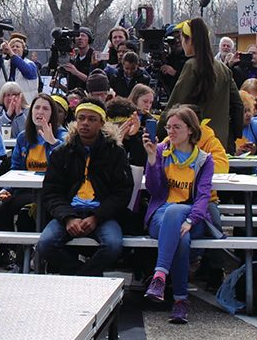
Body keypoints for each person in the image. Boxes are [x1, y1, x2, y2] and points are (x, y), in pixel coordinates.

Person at [35, 99, 134, 276]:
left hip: (101, 215)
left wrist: (97, 217)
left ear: (102, 123)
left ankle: (80, 278)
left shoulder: (115, 153)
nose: (85, 123)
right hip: (69, 212)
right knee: (45, 244)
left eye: (91, 119)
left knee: (112, 245)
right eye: (81, 118)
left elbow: (122, 192)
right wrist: (67, 218)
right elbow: (51, 192)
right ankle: (84, 276)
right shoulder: (62, 152)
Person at [142, 106, 214, 324]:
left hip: (191, 215)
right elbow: (154, 190)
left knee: (178, 215)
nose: (171, 131)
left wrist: (192, 220)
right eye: (168, 127)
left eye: (177, 127)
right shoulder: (161, 150)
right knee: (180, 237)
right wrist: (152, 159)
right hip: (162, 215)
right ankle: (181, 300)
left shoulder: (204, 159)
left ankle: (160, 277)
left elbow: (203, 196)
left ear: (191, 130)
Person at [0, 93, 66, 270]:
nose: (40, 112)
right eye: (36, 107)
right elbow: (16, 168)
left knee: (26, 219)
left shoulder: (62, 135)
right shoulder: (23, 137)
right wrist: (7, 189)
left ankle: (23, 261)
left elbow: (66, 164)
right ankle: (18, 249)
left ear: (53, 114)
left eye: (45, 108)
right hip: (26, 192)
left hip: (51, 195)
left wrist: (52, 142)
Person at [164, 19, 242, 154]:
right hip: (219, 144)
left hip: (194, 144)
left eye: (182, 39)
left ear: (190, 41)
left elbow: (175, 103)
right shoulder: (223, 69)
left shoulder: (192, 66)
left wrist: (160, 133)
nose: (181, 43)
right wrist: (233, 137)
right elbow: (238, 105)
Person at [235, 90, 257, 155]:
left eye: (249, 110)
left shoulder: (255, 125)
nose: (248, 114)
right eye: (244, 111)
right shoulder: (227, 128)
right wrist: (234, 152)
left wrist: (256, 150)